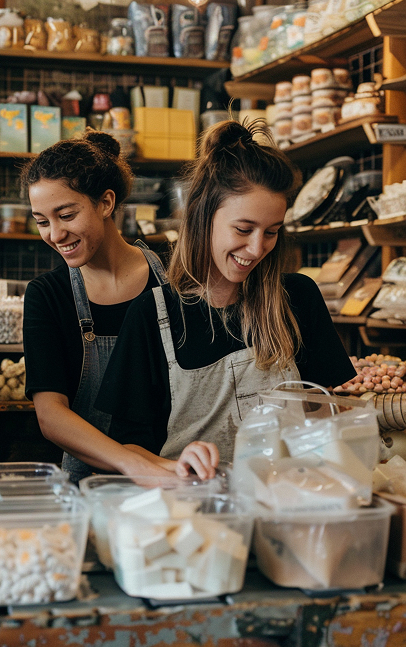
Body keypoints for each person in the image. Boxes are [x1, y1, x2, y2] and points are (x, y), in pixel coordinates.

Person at [94, 119, 357, 464]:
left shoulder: (298, 298)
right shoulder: (154, 315)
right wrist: (176, 465)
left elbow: (327, 413)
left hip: (288, 500)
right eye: (243, 229)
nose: (256, 248)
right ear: (204, 214)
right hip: (196, 508)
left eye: (272, 231)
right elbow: (128, 449)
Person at [21, 130, 219, 483]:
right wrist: (136, 466)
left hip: (179, 474)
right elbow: (50, 415)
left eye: (66, 215)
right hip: (89, 487)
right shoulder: (47, 295)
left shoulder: (176, 280)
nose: (54, 233)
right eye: (42, 221)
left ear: (106, 203)